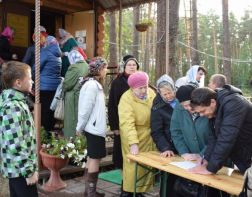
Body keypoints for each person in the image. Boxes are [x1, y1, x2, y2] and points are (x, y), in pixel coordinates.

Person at [189, 86, 252, 175]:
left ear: (212, 102)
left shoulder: (234, 104)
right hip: (244, 154)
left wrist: (210, 169)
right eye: (199, 112)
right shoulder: (215, 108)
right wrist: (206, 160)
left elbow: (226, 139)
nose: (201, 115)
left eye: (203, 111)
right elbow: (214, 137)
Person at [0, 61, 38, 197]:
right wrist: (29, 171)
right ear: (18, 83)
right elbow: (15, 144)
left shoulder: (18, 102)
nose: (33, 81)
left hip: (18, 169)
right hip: (20, 171)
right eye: (30, 78)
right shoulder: (12, 106)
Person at [118, 71, 156, 197]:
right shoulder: (126, 99)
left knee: (145, 167)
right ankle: (127, 192)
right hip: (133, 136)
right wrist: (133, 143)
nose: (144, 90)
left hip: (149, 136)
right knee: (133, 167)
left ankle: (139, 192)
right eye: (140, 88)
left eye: (145, 86)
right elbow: (127, 123)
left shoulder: (151, 93)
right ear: (132, 88)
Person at [76, 57, 108, 197]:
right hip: (93, 128)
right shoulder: (91, 85)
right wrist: (79, 127)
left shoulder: (94, 84)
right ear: (99, 69)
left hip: (94, 127)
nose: (106, 71)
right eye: (105, 68)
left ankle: (88, 191)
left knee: (91, 157)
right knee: (94, 158)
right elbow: (85, 109)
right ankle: (91, 192)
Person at [108, 54, 139, 170]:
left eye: (134, 65)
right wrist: (115, 126)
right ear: (125, 67)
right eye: (129, 65)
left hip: (136, 122)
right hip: (122, 122)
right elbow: (112, 105)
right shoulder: (118, 82)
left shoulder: (141, 81)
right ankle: (122, 174)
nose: (132, 67)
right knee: (121, 151)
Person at [150, 74, 178, 197]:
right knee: (169, 179)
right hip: (170, 146)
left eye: (170, 92)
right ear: (159, 94)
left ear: (174, 89)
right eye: (164, 94)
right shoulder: (157, 107)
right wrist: (165, 148)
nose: (168, 96)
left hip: (185, 146)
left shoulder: (182, 101)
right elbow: (157, 131)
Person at [33, 36, 62, 136]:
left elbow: (36, 68)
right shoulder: (58, 55)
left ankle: (44, 134)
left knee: (44, 110)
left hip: (44, 87)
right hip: (55, 87)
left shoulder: (45, 52)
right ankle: (49, 131)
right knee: (51, 109)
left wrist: (32, 79)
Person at [62, 49, 88, 137]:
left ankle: (71, 144)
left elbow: (67, 84)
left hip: (72, 99)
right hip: (83, 97)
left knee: (71, 121)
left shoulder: (74, 67)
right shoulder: (87, 66)